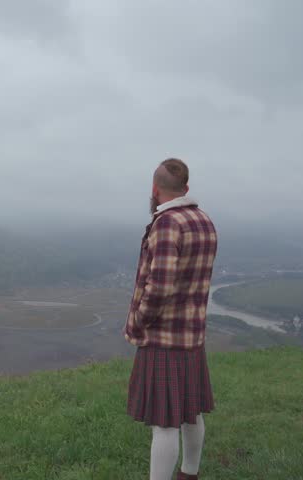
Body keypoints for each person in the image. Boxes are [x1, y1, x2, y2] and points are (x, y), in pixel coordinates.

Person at [123, 158, 218, 480]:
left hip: (163, 337)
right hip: (192, 335)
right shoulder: (204, 220)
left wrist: (139, 320)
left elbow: (160, 286)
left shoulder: (167, 224)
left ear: (154, 188)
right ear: (186, 188)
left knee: (163, 424)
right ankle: (189, 474)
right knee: (191, 414)